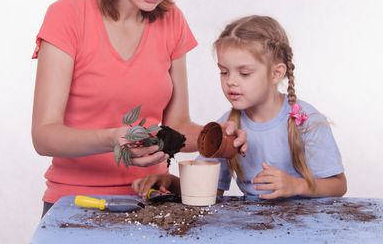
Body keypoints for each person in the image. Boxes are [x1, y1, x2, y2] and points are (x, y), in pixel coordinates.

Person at [31, 0, 246, 216]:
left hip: (151, 199)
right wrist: (111, 138)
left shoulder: (171, 20)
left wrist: (217, 138)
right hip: (76, 203)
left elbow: (177, 125)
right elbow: (44, 135)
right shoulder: (67, 16)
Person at [133, 15, 346, 199]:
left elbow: (338, 185)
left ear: (276, 73)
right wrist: (171, 183)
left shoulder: (305, 120)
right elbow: (209, 189)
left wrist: (295, 185)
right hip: (256, 227)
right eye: (224, 72)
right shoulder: (228, 128)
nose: (231, 81)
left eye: (244, 73)